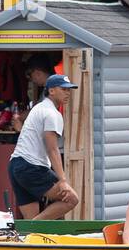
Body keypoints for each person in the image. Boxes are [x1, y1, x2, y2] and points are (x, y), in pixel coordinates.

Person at [8, 74, 82, 219]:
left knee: (31, 220)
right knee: (71, 199)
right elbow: (52, 149)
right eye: (63, 89)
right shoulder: (52, 114)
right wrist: (63, 181)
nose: (67, 93)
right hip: (31, 167)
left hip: (15, 165)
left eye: (69, 90)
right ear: (51, 91)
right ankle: (36, 227)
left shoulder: (38, 108)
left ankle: (30, 232)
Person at [11, 54, 56, 133]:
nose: (31, 79)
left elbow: (44, 119)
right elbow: (37, 110)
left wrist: (21, 129)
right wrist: (21, 116)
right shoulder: (47, 88)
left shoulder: (53, 90)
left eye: (30, 75)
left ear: (37, 73)